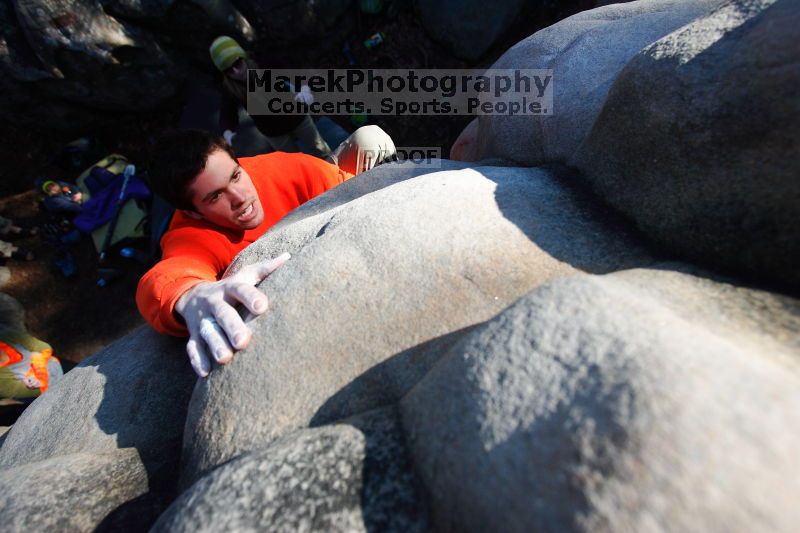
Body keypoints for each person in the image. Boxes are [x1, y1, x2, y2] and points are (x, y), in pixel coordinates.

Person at [137, 125, 395, 377]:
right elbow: (167, 277)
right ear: (192, 212)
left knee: (369, 138)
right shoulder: (193, 234)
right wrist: (192, 296)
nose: (240, 197)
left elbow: (348, 189)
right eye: (215, 196)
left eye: (236, 175)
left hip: (326, 181)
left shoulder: (283, 168)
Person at [209, 36, 332, 159]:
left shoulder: (264, 64)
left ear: (243, 57)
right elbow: (227, 112)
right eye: (229, 70)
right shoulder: (230, 88)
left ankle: (336, 173)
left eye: (237, 63)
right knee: (294, 163)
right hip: (274, 133)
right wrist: (227, 131)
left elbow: (295, 72)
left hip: (296, 117)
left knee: (320, 149)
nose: (236, 72)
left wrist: (305, 88)